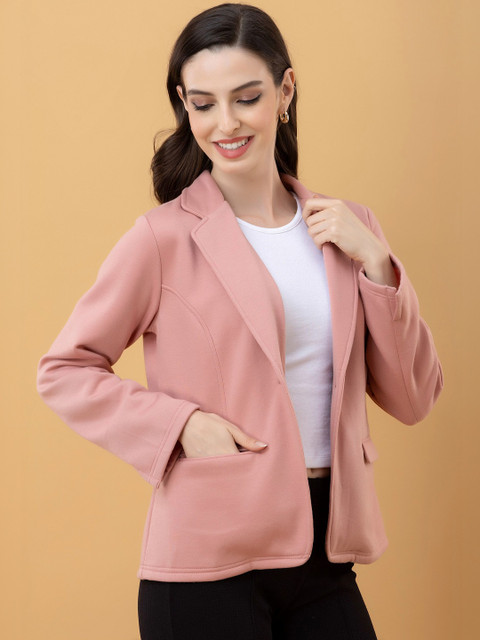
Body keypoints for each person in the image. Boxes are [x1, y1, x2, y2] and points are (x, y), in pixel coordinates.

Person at [37, 3, 443, 639]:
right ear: (185, 105)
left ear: (285, 92)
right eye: (203, 104)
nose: (225, 123)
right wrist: (180, 426)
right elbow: (64, 370)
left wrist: (378, 267)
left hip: (327, 551)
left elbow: (413, 399)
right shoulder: (163, 238)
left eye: (246, 98)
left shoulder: (349, 230)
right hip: (206, 560)